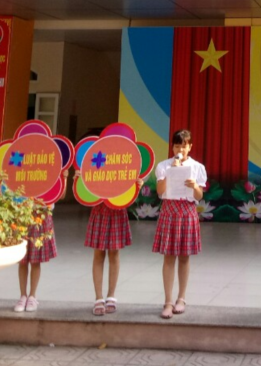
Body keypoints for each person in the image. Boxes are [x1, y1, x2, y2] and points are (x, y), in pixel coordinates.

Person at [154, 129, 206, 319]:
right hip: (169, 211)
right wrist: (172, 172)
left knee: (184, 257)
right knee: (168, 257)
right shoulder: (163, 166)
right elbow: (160, 191)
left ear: (190, 147)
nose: (180, 150)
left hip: (187, 211)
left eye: (184, 146)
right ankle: (168, 301)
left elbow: (199, 196)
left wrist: (195, 186)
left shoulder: (197, 167)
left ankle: (181, 299)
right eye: (177, 146)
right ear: (172, 147)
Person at [84, 177, 144, 316]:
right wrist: (80, 180)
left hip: (117, 207)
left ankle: (111, 295)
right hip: (99, 207)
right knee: (98, 253)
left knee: (114, 253)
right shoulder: (96, 162)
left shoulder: (122, 163)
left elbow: (129, 177)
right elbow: (87, 178)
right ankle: (98, 298)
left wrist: (136, 186)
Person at [14, 202, 55, 313]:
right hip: (22, 212)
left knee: (36, 260)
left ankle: (32, 296)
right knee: (22, 260)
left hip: (41, 213)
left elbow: (60, 195)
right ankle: (23, 296)